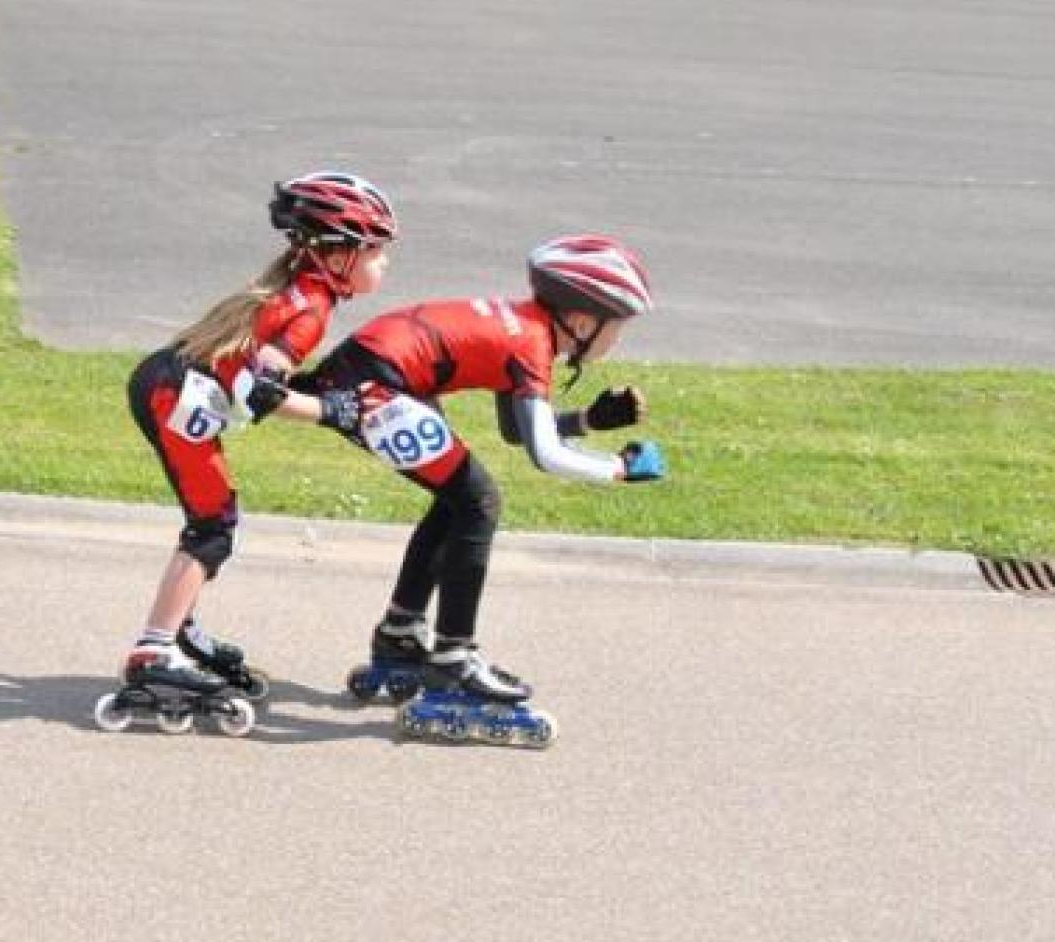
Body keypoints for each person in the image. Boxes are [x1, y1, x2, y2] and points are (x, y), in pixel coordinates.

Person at [311, 233, 665, 704]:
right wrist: (617, 469)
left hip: (375, 371)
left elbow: (517, 432)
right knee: (479, 502)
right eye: (616, 325)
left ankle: (401, 632)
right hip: (374, 383)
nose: (617, 338)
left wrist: (588, 421)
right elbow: (546, 454)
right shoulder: (531, 344)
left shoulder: (524, 326)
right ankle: (453, 659)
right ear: (582, 322)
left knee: (458, 500)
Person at [117, 172, 396, 701]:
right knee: (213, 528)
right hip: (174, 395)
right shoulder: (311, 309)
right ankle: (155, 650)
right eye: (376, 250)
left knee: (213, 519)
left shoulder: (298, 283)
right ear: (339, 255)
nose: (385, 262)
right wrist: (332, 412)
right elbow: (259, 392)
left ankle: (176, 629)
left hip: (169, 382)